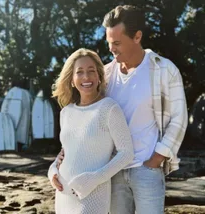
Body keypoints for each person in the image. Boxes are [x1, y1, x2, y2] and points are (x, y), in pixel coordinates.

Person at [56, 5, 188, 214]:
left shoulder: (163, 70)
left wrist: (156, 160)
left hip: (147, 170)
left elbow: (179, 119)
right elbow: (87, 120)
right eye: (109, 43)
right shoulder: (105, 75)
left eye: (117, 43)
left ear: (137, 37)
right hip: (112, 173)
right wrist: (64, 157)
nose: (111, 49)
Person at [47, 48, 134, 214]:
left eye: (91, 71)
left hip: (93, 194)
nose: (86, 77)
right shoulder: (66, 112)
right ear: (71, 79)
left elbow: (126, 153)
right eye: (79, 72)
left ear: (99, 77)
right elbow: (67, 152)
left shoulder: (108, 108)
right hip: (63, 193)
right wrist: (52, 172)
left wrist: (94, 179)